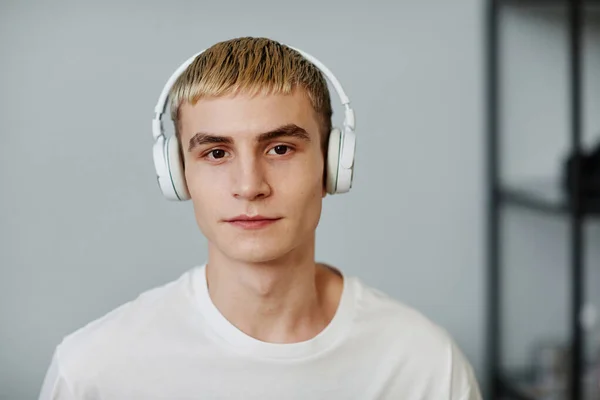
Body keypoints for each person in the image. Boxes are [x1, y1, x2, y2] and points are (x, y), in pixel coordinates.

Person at [38, 36, 482, 400]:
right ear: (178, 174)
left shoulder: (425, 366)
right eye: (216, 152)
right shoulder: (93, 372)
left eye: (280, 149)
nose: (250, 186)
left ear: (332, 167)